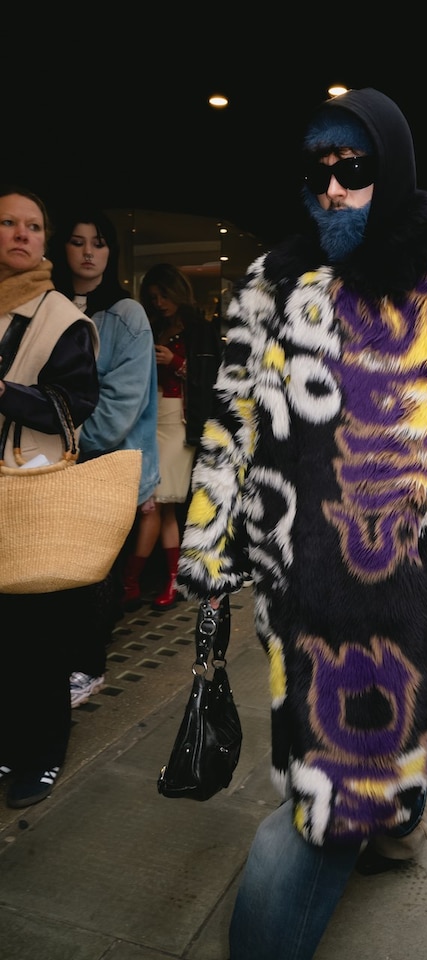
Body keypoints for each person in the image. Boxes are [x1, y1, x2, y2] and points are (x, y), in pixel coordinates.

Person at [175, 88, 427, 960]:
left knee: (309, 821)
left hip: (394, 603)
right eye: (319, 172)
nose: (333, 189)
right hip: (291, 595)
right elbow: (232, 420)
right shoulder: (273, 282)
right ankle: (395, 819)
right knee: (332, 767)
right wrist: (215, 544)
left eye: (355, 169)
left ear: (394, 168)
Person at [0, 185, 99, 807]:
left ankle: (41, 753)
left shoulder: (61, 316)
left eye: (33, 227)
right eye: (7, 223)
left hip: (33, 492)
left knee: (36, 632)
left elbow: (75, 405)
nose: (20, 234)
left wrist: (4, 391)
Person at [49, 209, 160, 707]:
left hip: (104, 462)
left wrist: (55, 439)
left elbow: (121, 408)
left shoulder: (126, 314)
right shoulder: (46, 306)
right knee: (56, 569)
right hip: (54, 466)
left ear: (111, 252)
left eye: (98, 243)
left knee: (96, 571)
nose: (88, 252)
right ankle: (62, 661)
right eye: (77, 242)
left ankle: (87, 666)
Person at [122, 263, 222, 611]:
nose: (160, 302)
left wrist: (175, 361)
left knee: (156, 503)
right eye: (154, 297)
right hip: (152, 421)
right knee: (160, 509)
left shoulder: (200, 330)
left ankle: (134, 584)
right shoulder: (155, 327)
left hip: (180, 425)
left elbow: (213, 378)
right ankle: (162, 582)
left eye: (164, 295)